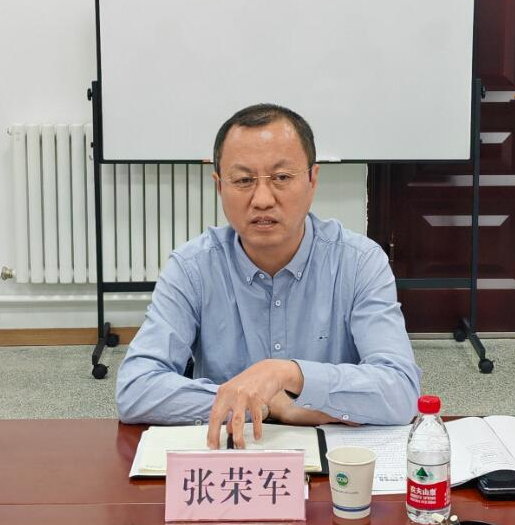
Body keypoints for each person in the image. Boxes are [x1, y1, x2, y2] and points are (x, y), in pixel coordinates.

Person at [116, 103, 421, 449]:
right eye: (243, 180)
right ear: (219, 187)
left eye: (282, 178)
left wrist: (289, 374)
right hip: (234, 458)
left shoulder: (359, 262)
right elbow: (135, 389)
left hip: (335, 459)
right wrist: (267, 405)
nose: (262, 200)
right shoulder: (192, 267)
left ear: (312, 180)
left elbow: (401, 392)